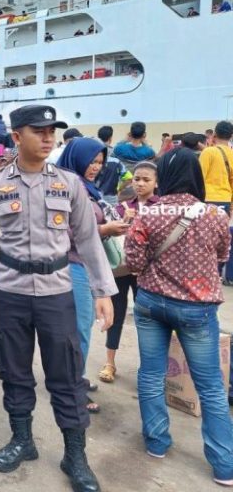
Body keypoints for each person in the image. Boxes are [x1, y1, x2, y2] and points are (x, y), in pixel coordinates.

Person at [0, 105, 116, 492]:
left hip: (57, 293)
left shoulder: (68, 183)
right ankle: (22, 440)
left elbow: (87, 238)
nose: (48, 138)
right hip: (11, 293)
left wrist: (103, 290)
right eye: (38, 130)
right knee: (13, 370)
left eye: (52, 131)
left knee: (66, 375)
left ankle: (75, 454)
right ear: (17, 136)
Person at [124, 148, 233, 487]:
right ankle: (224, 466)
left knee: (151, 375)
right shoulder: (214, 215)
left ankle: (157, 443)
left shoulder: (147, 214)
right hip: (197, 309)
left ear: (165, 177)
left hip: (150, 304)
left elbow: (134, 263)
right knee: (212, 388)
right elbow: (223, 255)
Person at [57, 137, 130, 414]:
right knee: (81, 329)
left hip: (85, 264)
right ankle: (73, 388)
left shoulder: (86, 188)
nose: (96, 168)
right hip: (74, 265)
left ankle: (74, 378)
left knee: (80, 328)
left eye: (100, 163)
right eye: (91, 162)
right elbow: (69, 234)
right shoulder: (67, 189)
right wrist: (106, 229)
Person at [98, 161, 159, 384]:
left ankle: (149, 368)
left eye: (146, 179)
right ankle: (110, 362)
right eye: (137, 179)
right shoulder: (123, 206)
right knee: (116, 313)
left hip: (147, 272)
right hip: (122, 269)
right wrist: (124, 221)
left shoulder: (161, 206)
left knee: (148, 319)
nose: (140, 183)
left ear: (156, 182)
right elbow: (112, 236)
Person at [95, 125, 131, 206]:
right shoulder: (116, 161)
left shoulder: (92, 159)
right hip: (111, 199)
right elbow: (129, 178)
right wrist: (119, 189)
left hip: (95, 198)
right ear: (110, 139)